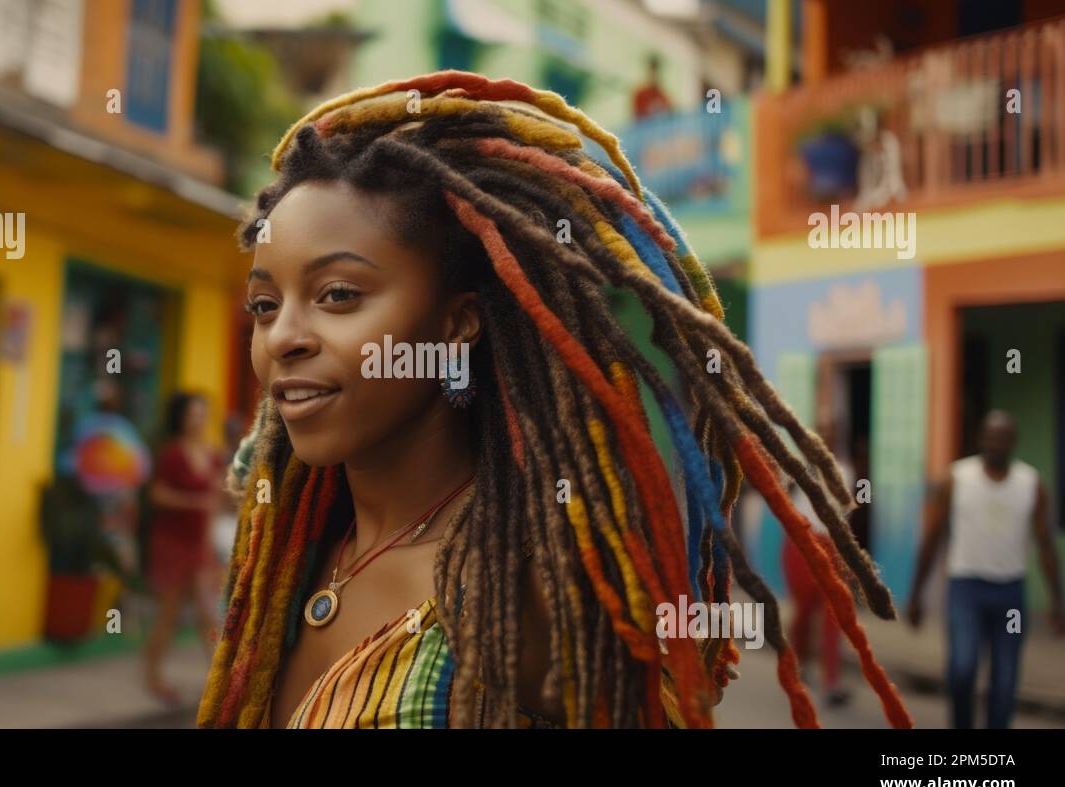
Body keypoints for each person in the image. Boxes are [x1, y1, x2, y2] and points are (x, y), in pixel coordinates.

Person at [197, 70, 910, 729]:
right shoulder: (284, 558)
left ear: (456, 324)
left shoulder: (528, 594)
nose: (283, 337)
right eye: (264, 305)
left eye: (338, 296)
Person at [906, 410, 1065, 729]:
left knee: (1005, 682)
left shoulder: (1030, 484)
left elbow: (1046, 543)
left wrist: (1057, 600)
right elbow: (933, 536)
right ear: (981, 439)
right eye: (991, 436)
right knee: (962, 669)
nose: (997, 443)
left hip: (1010, 594)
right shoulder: (957, 478)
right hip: (966, 590)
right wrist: (916, 594)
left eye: (1003, 437)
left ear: (1013, 441)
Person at [144, 392, 224, 705]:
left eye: (202, 414)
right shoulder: (172, 454)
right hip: (171, 543)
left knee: (209, 614)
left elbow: (216, 499)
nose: (198, 420)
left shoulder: (212, 453)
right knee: (169, 615)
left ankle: (219, 683)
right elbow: (158, 495)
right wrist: (194, 502)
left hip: (199, 545)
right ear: (181, 418)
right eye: (193, 414)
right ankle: (153, 677)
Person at [781, 414, 852, 707]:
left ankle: (831, 683)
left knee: (834, 615)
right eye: (820, 432)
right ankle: (800, 665)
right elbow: (780, 497)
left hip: (831, 547)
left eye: (830, 432)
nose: (824, 437)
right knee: (804, 613)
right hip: (800, 544)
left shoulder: (845, 470)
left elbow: (845, 514)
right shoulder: (796, 467)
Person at [632, 53, 673, 121]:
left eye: (656, 71)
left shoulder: (664, 97)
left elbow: (671, 116)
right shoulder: (641, 95)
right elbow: (636, 119)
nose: (655, 75)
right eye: (652, 71)